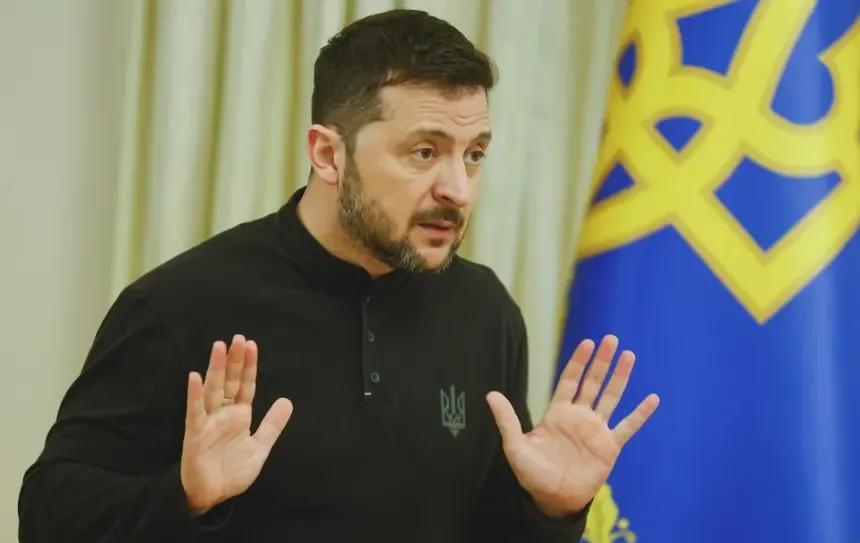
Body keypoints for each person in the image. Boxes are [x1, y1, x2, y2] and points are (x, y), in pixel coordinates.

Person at [18, 9, 659, 543]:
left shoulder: (485, 312)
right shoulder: (179, 304)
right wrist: (184, 498)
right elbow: (48, 517)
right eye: (424, 152)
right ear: (328, 154)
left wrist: (551, 511)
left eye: (474, 155)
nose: (459, 189)